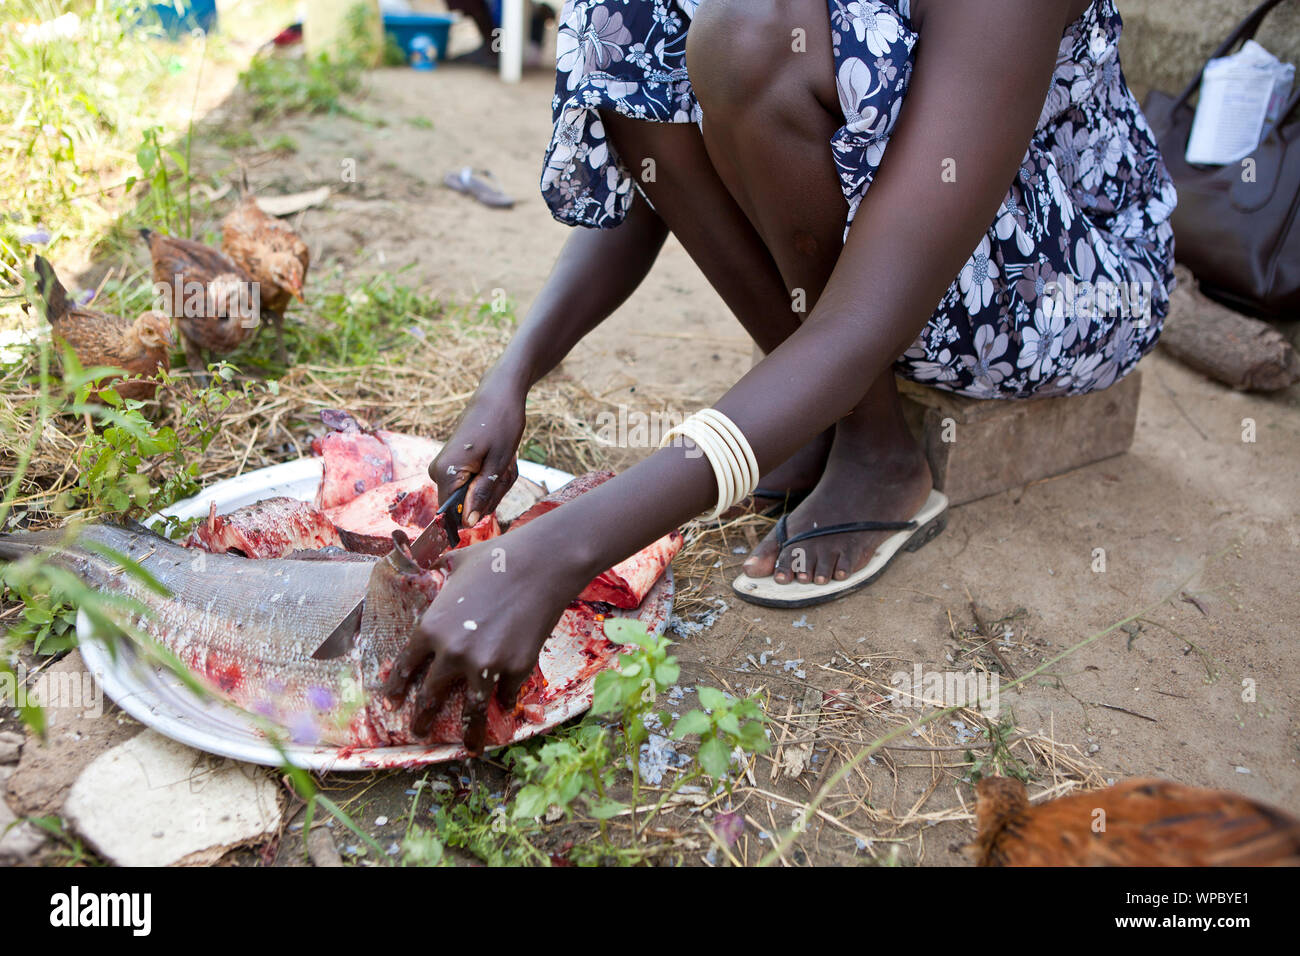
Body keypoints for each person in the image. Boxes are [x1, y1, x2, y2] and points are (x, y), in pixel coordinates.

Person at [384, 0, 1177, 750]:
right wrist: (513, 375)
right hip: (897, 240)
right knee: (631, 14)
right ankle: (821, 415)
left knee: (751, 36)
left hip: (1061, 285)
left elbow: (866, 317)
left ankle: (878, 453)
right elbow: (651, 171)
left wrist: (554, 554)